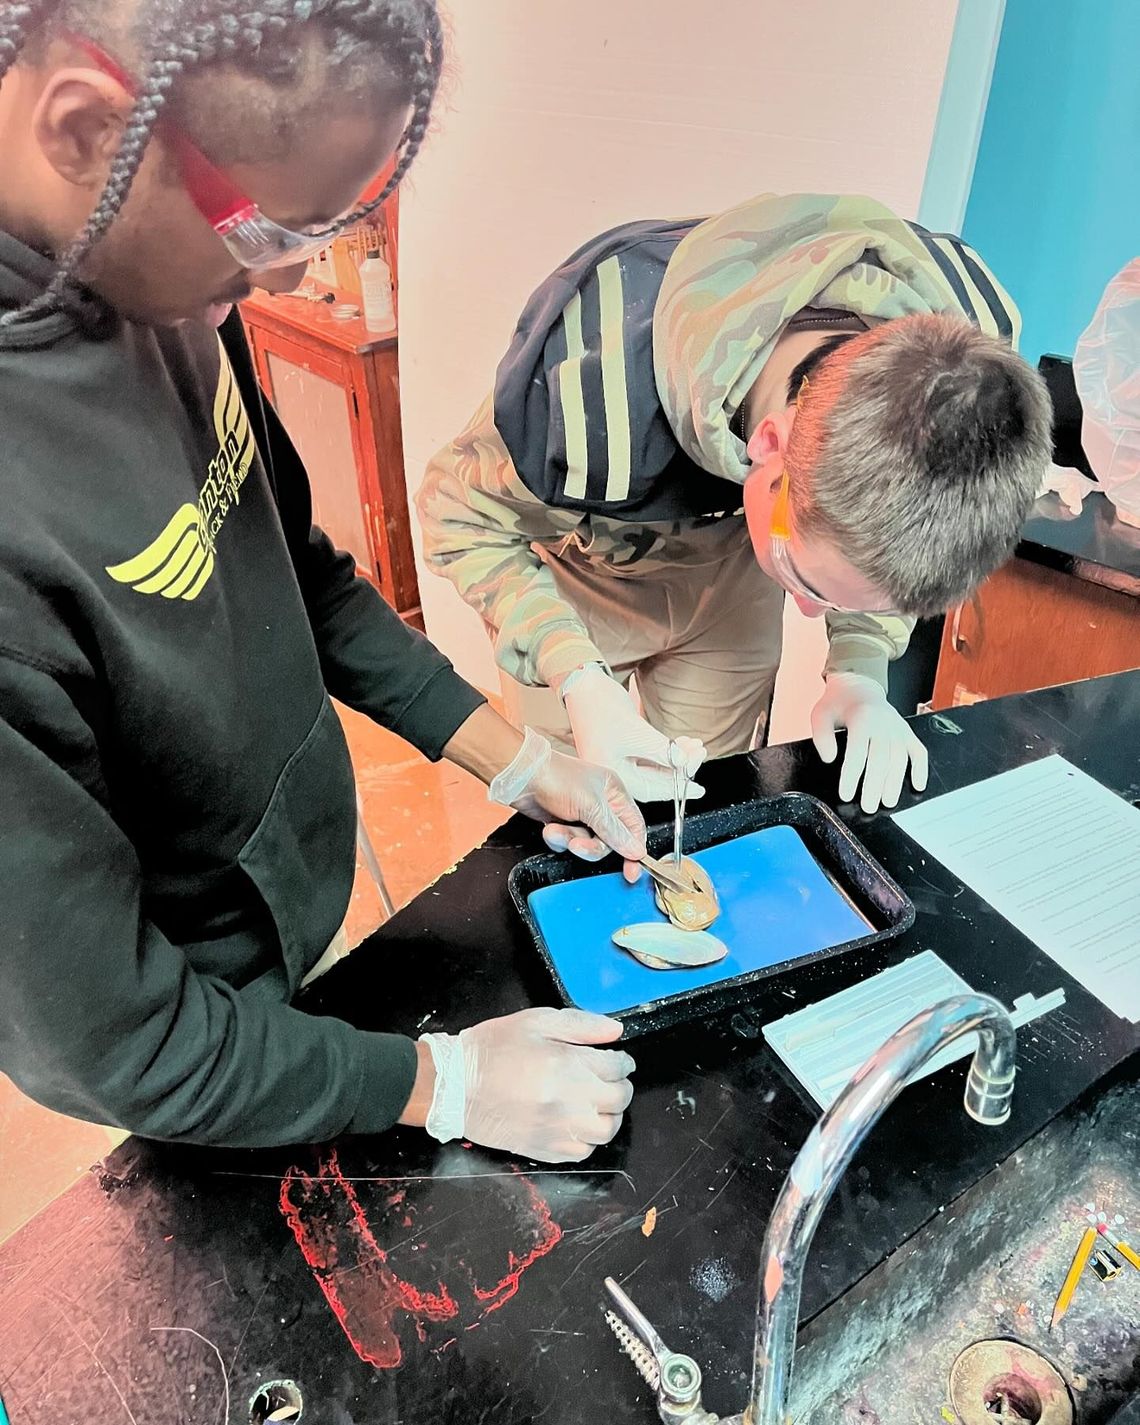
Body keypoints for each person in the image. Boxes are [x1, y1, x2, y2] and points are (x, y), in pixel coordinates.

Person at [0, 0, 649, 1165]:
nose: (299, 269)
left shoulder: (161, 280)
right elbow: (119, 1041)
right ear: (86, 128)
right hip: (189, 1032)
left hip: (279, 902)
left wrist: (517, 753)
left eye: (342, 221)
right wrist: (445, 1086)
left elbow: (292, 564)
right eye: (272, 227)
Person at [418, 194, 1053, 814]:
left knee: (708, 802)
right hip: (583, 577)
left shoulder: (978, 379)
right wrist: (574, 674)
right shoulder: (590, 386)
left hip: (733, 568)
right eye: (806, 582)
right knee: (582, 809)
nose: (804, 610)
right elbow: (459, 519)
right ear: (768, 445)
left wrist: (859, 667)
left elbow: (876, 556)